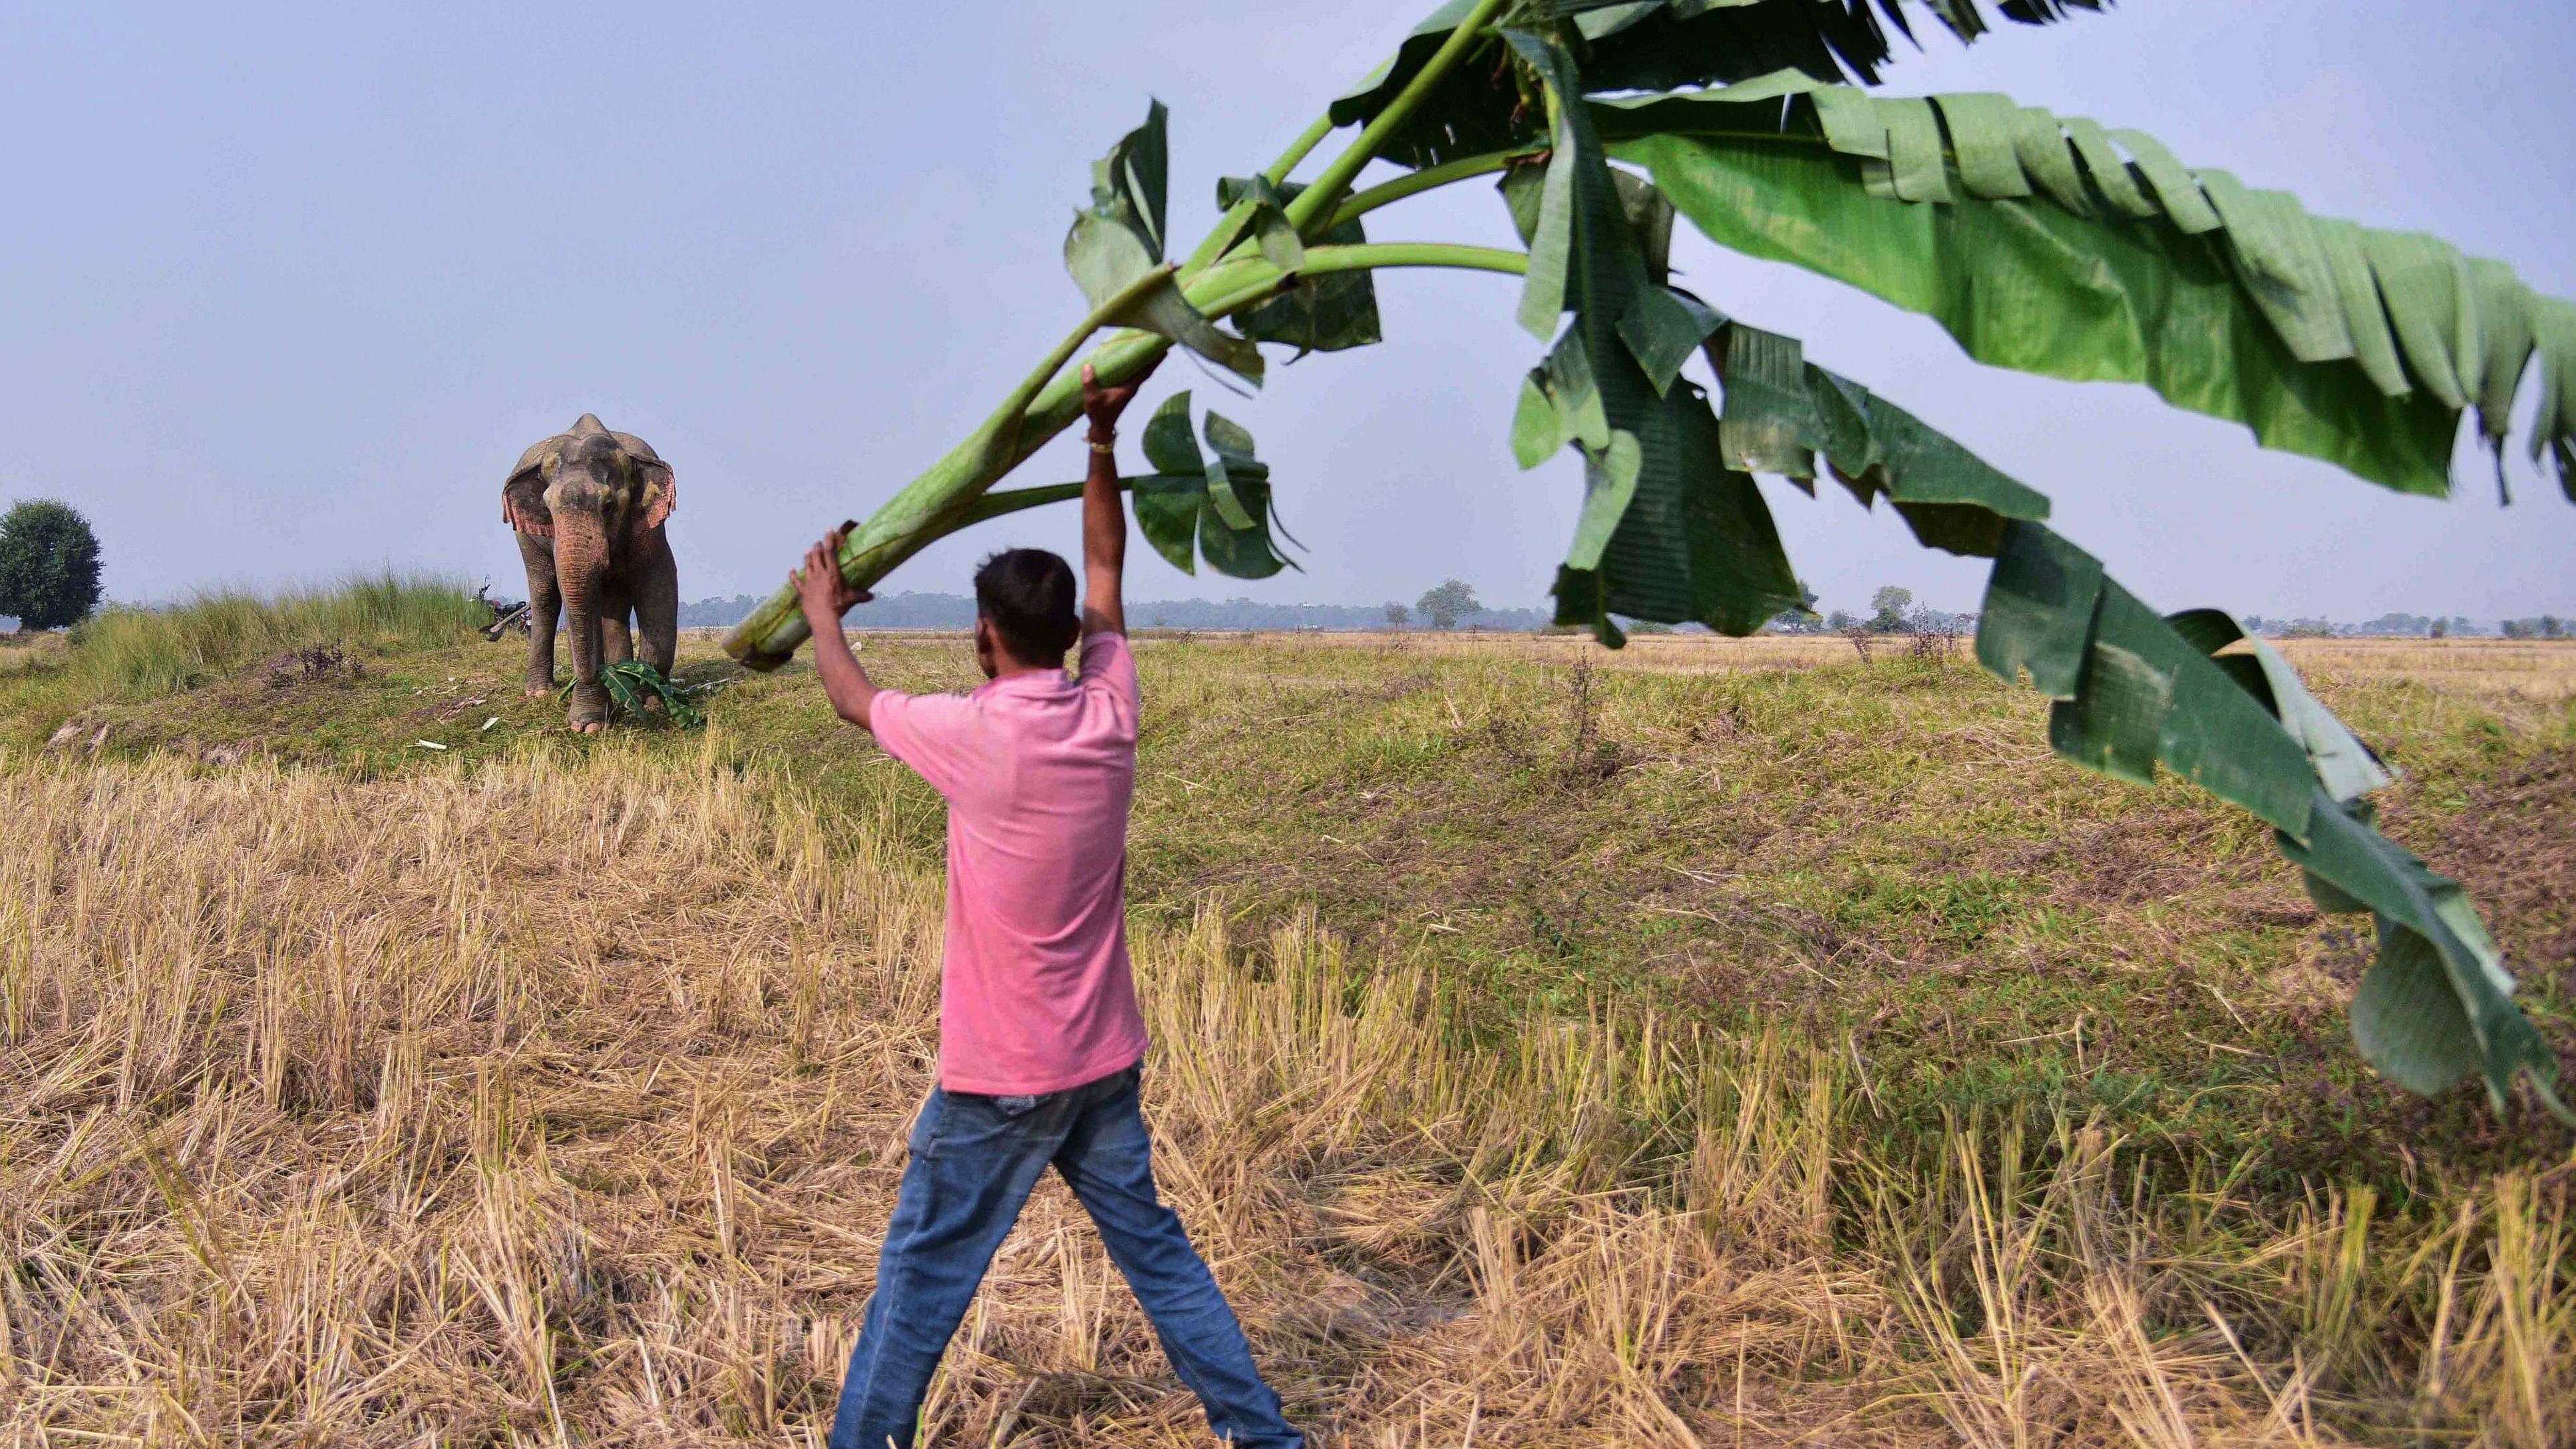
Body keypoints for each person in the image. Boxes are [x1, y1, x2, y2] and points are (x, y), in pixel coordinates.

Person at [793, 359, 1304, 1449]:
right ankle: (1264, 1436)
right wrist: (1101, 441)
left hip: (1001, 1080)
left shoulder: (974, 735)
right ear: (1071, 637)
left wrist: (819, 609)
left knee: (919, 1281)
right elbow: (1107, 564)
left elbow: (849, 695)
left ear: (986, 640)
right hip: (1102, 1063)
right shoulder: (1109, 710)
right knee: (1160, 1258)